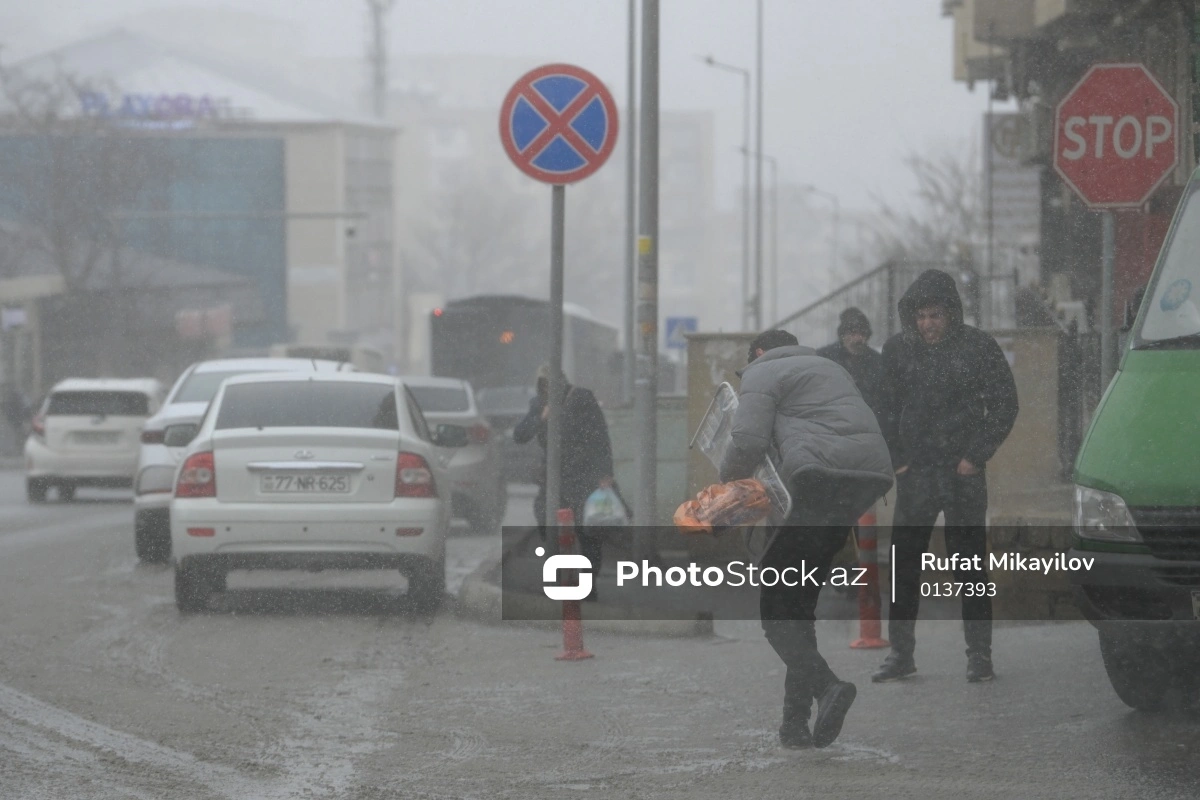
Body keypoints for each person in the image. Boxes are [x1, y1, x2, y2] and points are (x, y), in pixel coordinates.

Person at [719, 330, 893, 749]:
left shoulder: (763, 371)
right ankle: (794, 725)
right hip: (858, 487)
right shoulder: (830, 368)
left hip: (816, 485)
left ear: (760, 352)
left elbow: (747, 441)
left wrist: (725, 484)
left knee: (776, 615)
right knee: (797, 609)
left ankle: (828, 687)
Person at [872, 269, 1018, 685]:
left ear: (951, 313)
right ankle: (901, 654)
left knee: (969, 566)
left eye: (935, 315)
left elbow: (1005, 404)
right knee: (904, 565)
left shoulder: (978, 347)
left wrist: (975, 456)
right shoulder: (897, 351)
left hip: (962, 473)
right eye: (920, 316)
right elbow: (883, 408)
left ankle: (980, 655)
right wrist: (898, 460)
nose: (927, 324)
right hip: (916, 472)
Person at [513, 364, 616, 590]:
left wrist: (604, 472)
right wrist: (541, 418)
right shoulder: (539, 404)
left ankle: (588, 583)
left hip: (584, 474)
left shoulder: (581, 398)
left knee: (587, 531)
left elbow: (599, 436)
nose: (547, 388)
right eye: (543, 384)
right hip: (554, 478)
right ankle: (560, 578)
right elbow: (519, 435)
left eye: (550, 383)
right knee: (548, 522)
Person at [816, 307, 885, 423]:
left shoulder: (877, 361)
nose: (858, 339)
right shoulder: (825, 358)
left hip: (867, 422)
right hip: (833, 421)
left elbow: (882, 401)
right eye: (852, 333)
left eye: (862, 333)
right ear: (842, 335)